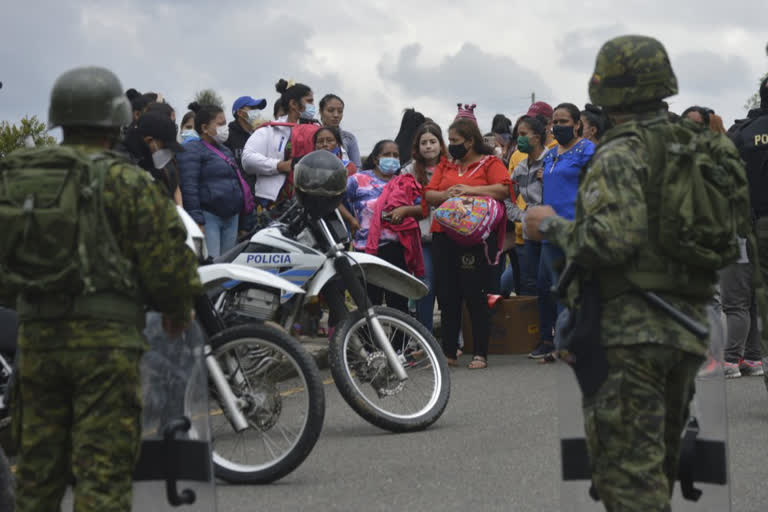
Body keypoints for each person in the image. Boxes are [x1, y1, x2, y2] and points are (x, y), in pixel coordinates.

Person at [525, 35, 734, 510]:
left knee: (630, 485)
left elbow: (609, 242)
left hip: (631, 336)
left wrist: (550, 225)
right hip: (687, 327)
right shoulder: (694, 147)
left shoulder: (620, 154)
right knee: (658, 464)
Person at [1, 66, 201, 512]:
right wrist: (176, 308)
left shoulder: (16, 175)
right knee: (102, 476)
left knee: (37, 476)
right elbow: (168, 260)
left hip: (35, 344)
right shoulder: (126, 180)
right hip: (107, 349)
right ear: (116, 120)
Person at [425, 118, 510, 369]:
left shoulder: (490, 163)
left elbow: (504, 189)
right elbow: (429, 194)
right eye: (450, 141)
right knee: (447, 294)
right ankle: (449, 352)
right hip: (443, 234)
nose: (451, 146)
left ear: (471, 141)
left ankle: (480, 353)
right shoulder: (446, 165)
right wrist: (445, 195)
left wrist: (471, 191)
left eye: (455, 141)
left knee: (475, 293)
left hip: (475, 237)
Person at [530, 103, 596, 360]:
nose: (558, 126)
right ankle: (555, 340)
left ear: (577, 124)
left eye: (564, 121)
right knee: (549, 287)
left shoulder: (587, 150)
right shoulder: (550, 154)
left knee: (571, 287)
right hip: (549, 229)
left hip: (574, 227)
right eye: (555, 122)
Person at [341, 140, 420, 312]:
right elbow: (335, 199)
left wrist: (405, 211)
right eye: (387, 155)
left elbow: (422, 208)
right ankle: (369, 339)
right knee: (369, 303)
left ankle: (399, 340)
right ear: (376, 159)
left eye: (396, 155)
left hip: (397, 249)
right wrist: (351, 220)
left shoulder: (404, 182)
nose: (392, 159)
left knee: (398, 303)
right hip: (368, 251)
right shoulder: (358, 180)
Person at [727, 75, 768, 380]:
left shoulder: (743, 133)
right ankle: (753, 357)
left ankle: (747, 358)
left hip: (755, 224)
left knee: (751, 298)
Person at [178, 102, 243, 258]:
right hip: (209, 219)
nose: (224, 128)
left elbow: (237, 182)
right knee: (212, 264)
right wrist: (197, 221)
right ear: (204, 128)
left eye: (225, 124)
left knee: (227, 267)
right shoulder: (191, 150)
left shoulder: (226, 151)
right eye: (220, 124)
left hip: (232, 217)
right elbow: (189, 187)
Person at [401, 122, 448, 332]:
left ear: (441, 144)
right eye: (424, 143)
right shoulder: (408, 171)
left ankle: (453, 339)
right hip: (423, 239)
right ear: (417, 147)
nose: (428, 146)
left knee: (449, 290)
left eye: (432, 141)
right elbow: (401, 203)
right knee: (425, 288)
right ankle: (425, 335)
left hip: (449, 238)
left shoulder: (452, 168)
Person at [242, 79, 315, 206]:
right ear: (293, 104)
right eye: (309, 101)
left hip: (309, 200)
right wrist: (279, 165)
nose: (313, 106)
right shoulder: (269, 130)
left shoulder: (317, 131)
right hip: (274, 203)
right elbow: (247, 160)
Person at [503, 115, 550, 297]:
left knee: (549, 283)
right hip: (528, 235)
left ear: (536, 138)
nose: (519, 139)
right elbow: (507, 197)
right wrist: (522, 216)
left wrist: (549, 179)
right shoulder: (521, 168)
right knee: (529, 284)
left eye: (523, 134)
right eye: (518, 134)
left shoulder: (552, 162)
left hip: (550, 233)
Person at [116, 111, 184, 204]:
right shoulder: (121, 164)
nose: (170, 154)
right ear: (149, 140)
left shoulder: (153, 163)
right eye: (165, 147)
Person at [224, 95, 267, 169]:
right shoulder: (227, 136)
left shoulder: (261, 134)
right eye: (252, 108)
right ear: (240, 113)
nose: (257, 111)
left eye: (257, 108)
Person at [319, 94, 362, 168]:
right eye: (330, 110)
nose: (336, 115)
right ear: (321, 112)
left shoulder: (349, 138)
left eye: (340, 111)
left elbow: (356, 167)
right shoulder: (312, 135)